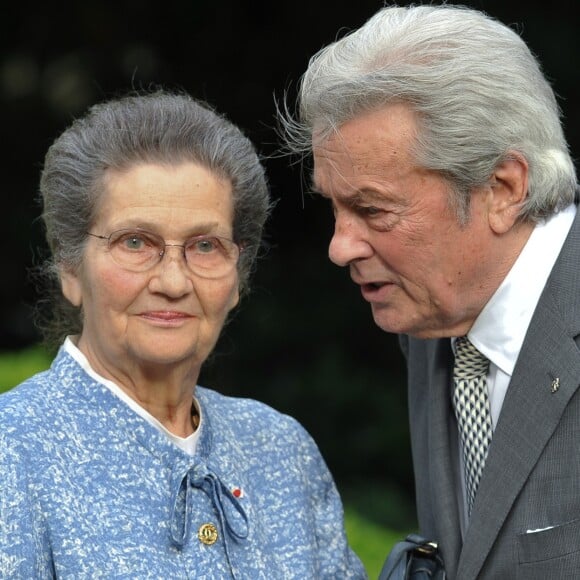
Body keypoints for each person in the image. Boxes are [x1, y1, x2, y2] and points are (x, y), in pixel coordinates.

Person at [0, 89, 366, 579]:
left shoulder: (282, 450)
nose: (173, 282)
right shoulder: (12, 452)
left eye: (205, 245)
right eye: (135, 242)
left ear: (240, 274)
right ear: (70, 267)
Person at [279, 4, 580, 579]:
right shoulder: (436, 318)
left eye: (373, 209)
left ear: (502, 188)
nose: (339, 247)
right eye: (334, 207)